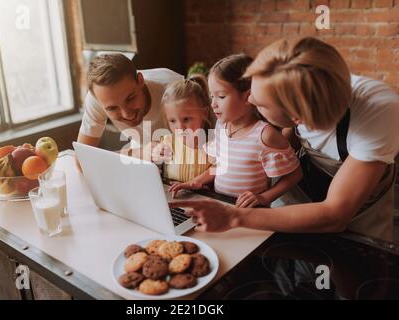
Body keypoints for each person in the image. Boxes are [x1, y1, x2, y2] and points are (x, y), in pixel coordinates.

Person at [170, 37, 399, 242]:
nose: (250, 103)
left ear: (297, 116)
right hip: (313, 185)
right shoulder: (296, 93)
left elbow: (334, 215)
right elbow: (288, 140)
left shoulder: (379, 113)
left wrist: (235, 217)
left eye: (258, 104)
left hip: (363, 208)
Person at [169, 54, 302, 208]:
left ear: (247, 97)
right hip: (222, 206)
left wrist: (265, 197)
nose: (213, 104)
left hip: (251, 213)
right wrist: (195, 182)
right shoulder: (221, 126)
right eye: (212, 96)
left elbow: (295, 174)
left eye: (221, 96)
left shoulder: (264, 135)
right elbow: (220, 164)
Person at [76, 53, 183, 165]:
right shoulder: (97, 98)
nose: (127, 114)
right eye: (112, 108)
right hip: (140, 157)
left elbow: (196, 149)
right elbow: (81, 160)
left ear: (140, 81)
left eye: (130, 98)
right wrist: (141, 153)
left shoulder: (175, 90)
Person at [152, 75, 215, 182]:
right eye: (172, 121)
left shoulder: (213, 146)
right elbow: (154, 170)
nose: (180, 128)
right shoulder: (166, 143)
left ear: (204, 113)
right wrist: (155, 160)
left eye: (186, 119)